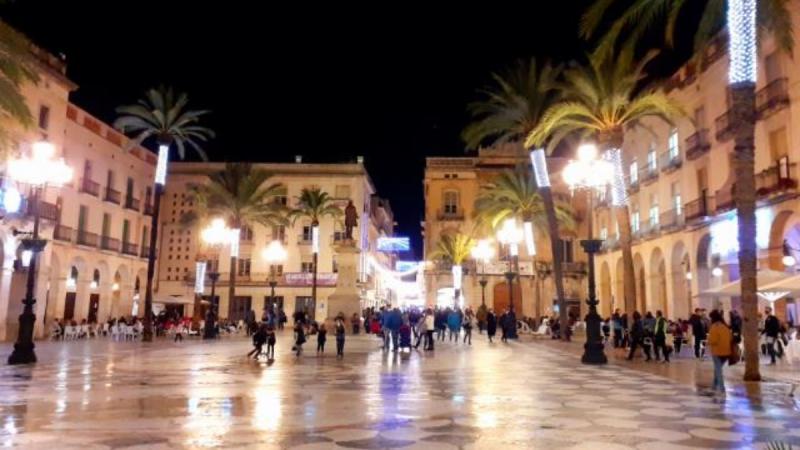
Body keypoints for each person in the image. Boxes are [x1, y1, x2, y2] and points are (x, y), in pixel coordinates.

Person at [707, 309, 732, 398]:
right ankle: (714, 386)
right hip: (726, 351)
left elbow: (713, 340)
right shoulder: (725, 326)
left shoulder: (714, 327)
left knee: (718, 370)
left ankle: (722, 389)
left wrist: (708, 342)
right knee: (717, 369)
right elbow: (730, 338)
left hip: (717, 351)